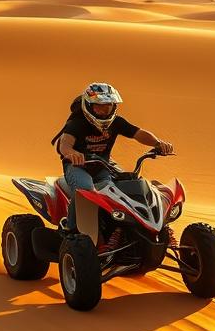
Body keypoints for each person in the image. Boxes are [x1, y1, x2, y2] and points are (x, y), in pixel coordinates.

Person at [53, 82, 173, 232]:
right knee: (85, 190)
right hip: (77, 166)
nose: (104, 110)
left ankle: (113, 227)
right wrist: (72, 153)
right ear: (89, 106)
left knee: (116, 191)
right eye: (99, 106)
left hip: (103, 165)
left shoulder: (116, 122)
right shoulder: (78, 122)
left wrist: (157, 143)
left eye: (108, 106)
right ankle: (71, 230)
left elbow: (138, 133)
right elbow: (64, 144)